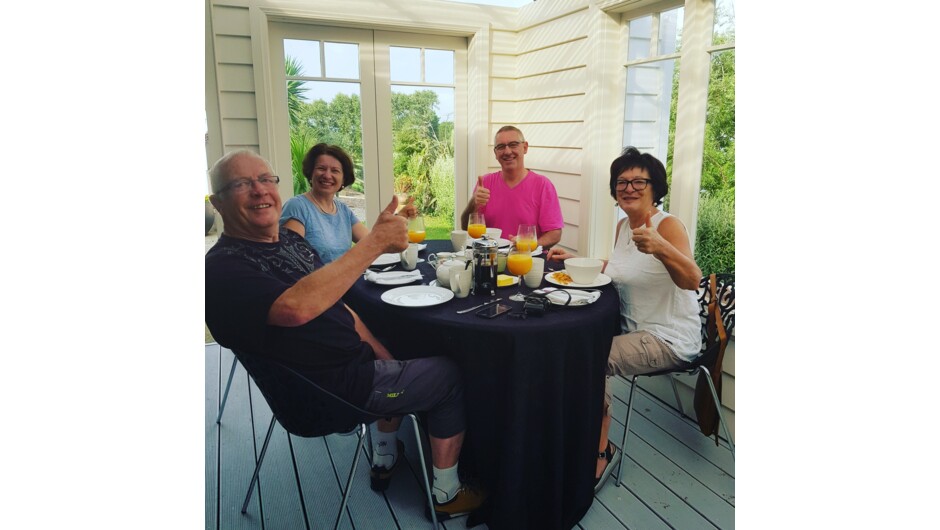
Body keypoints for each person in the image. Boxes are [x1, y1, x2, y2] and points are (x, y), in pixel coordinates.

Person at [205, 150, 484, 519]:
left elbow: (342, 308)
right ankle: (447, 493)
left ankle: (385, 454)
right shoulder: (222, 268)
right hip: (330, 393)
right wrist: (373, 244)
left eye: (265, 180)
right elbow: (295, 308)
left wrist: (383, 353)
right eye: (241, 184)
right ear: (218, 202)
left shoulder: (289, 243)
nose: (259, 191)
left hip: (349, 369)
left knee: (400, 345)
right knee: (448, 374)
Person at [546, 147, 702, 493]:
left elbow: (692, 279)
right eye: (622, 182)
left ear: (655, 187)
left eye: (638, 182)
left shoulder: (668, 226)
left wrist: (661, 247)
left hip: (668, 338)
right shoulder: (622, 226)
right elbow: (620, 270)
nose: (628, 188)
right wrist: (576, 259)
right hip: (631, 329)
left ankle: (602, 449)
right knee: (569, 341)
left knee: (592, 358)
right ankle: (572, 431)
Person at [280, 143, 415, 263]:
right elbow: (292, 261)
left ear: (343, 179)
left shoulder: (342, 210)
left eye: (335, 171)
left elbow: (372, 242)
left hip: (344, 283)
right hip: (316, 288)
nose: (327, 175)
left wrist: (399, 217)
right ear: (311, 173)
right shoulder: (297, 207)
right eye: (321, 168)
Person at [459, 126, 563, 248]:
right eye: (501, 147)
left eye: (513, 145)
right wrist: (474, 203)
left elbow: (555, 233)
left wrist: (529, 246)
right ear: (495, 153)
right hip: (490, 259)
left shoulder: (543, 185)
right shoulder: (485, 183)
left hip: (528, 259)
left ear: (525, 148)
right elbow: (465, 226)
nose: (507, 152)